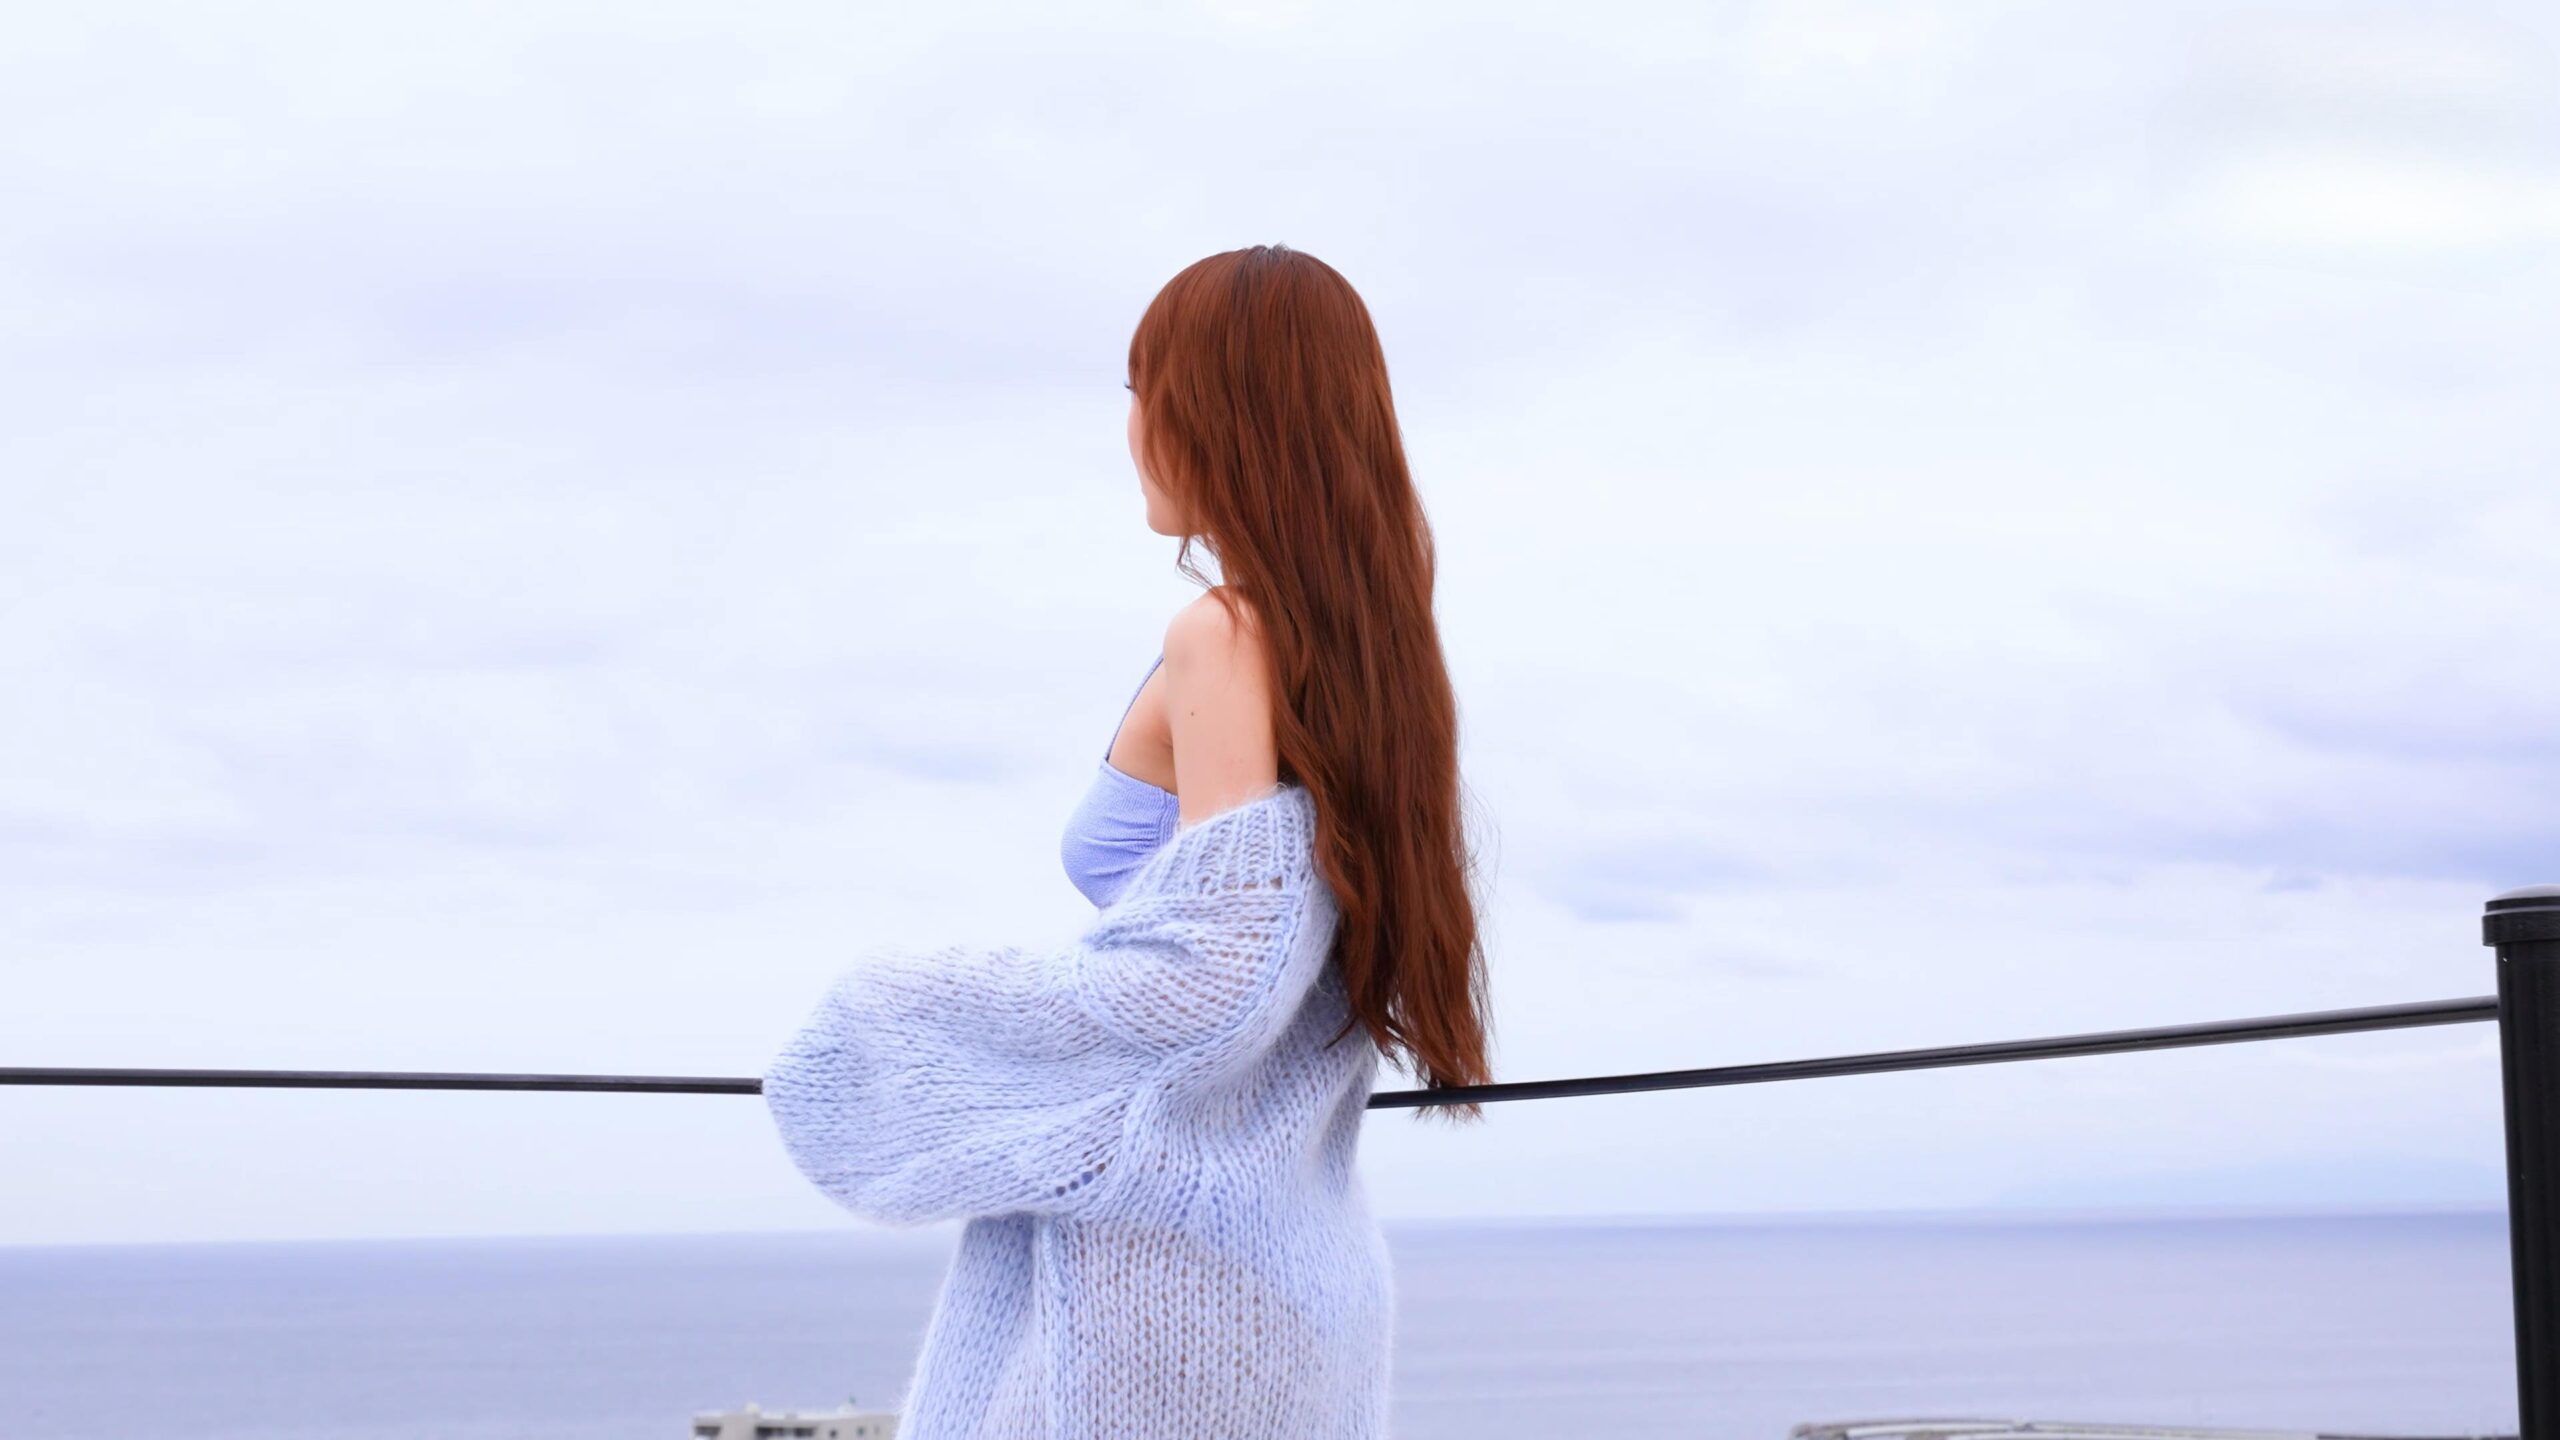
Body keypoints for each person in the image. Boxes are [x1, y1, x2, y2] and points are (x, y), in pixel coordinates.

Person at [761, 243, 1494, 1440]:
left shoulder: (1223, 635)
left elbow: (1216, 975)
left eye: (1146, 390)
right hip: (1295, 1273)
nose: (1133, 427)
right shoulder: (1375, 667)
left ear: (1223, 418)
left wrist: (892, 1017)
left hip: (1163, 1301)